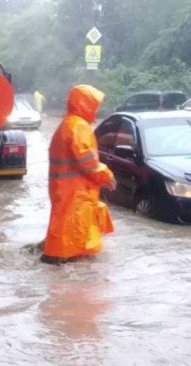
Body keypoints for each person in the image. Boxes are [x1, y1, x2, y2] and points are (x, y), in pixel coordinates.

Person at [42, 84, 116, 265]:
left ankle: (54, 257)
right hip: (76, 192)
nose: (96, 109)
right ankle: (61, 261)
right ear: (85, 104)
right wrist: (107, 176)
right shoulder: (79, 127)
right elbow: (89, 163)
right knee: (76, 234)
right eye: (94, 104)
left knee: (64, 229)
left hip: (64, 190)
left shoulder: (66, 125)